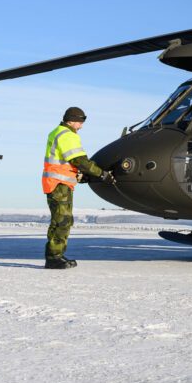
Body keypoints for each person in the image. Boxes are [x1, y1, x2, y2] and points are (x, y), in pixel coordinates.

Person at [42, 106, 115, 269]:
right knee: (62, 221)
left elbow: (66, 162)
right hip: (58, 184)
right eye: (80, 122)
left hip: (58, 182)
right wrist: (101, 174)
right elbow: (79, 160)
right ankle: (54, 257)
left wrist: (79, 175)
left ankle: (55, 255)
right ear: (73, 120)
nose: (81, 126)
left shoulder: (57, 132)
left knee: (61, 220)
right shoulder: (67, 135)